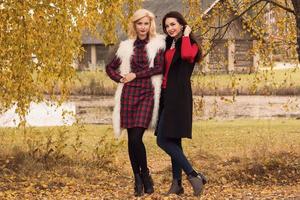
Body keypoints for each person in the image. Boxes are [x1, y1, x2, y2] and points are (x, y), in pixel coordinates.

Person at [106, 9, 165, 197]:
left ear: (150, 25)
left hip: (147, 93)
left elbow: (159, 67)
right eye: (139, 23)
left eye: (146, 23)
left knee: (136, 138)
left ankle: (145, 174)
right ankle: (138, 179)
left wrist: (135, 75)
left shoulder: (157, 45)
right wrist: (120, 78)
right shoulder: (126, 46)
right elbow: (109, 67)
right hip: (129, 94)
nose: (143, 27)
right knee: (131, 140)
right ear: (135, 25)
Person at [156, 11, 207, 196]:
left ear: (182, 25)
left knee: (162, 140)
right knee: (172, 139)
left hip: (178, 97)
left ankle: (194, 175)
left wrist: (186, 36)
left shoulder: (191, 45)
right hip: (165, 95)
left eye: (173, 24)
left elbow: (186, 56)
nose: (170, 28)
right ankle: (177, 184)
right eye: (167, 26)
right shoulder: (168, 44)